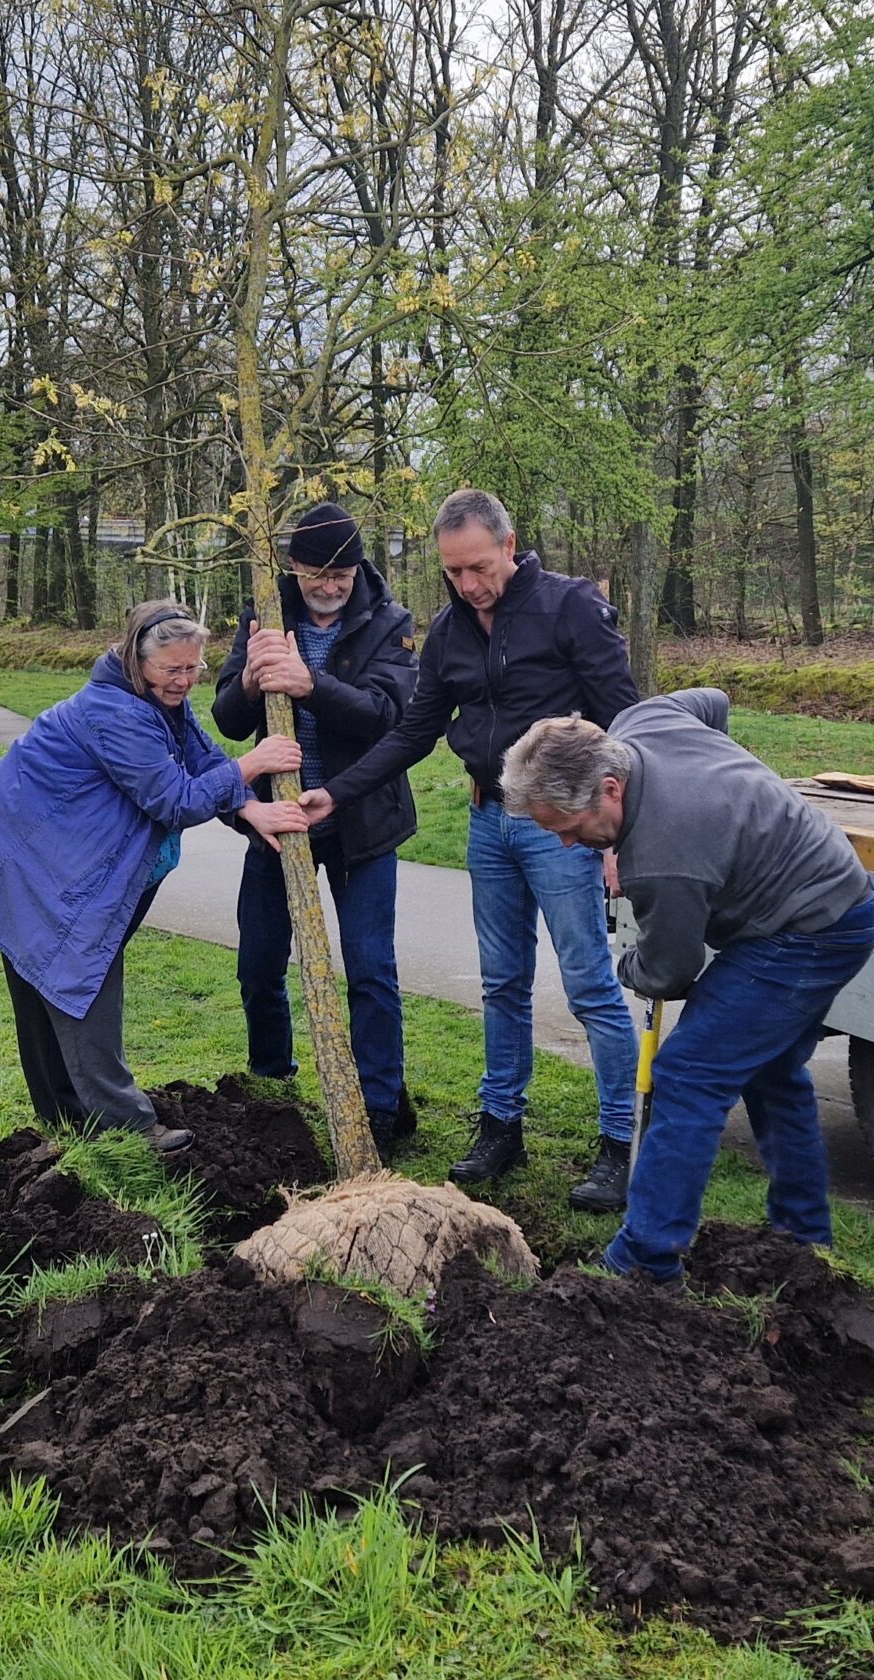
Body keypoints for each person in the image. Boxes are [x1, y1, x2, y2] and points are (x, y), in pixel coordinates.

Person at [303, 488, 644, 1210]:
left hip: (564, 826)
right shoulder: (449, 631)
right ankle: (501, 1126)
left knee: (588, 983)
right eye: (454, 572)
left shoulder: (569, 606)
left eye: (479, 567)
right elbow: (412, 730)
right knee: (501, 983)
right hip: (488, 822)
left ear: (510, 545)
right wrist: (339, 792)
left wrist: (626, 835)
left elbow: (628, 719)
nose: (469, 584)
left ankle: (621, 1142)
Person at [501, 692, 874, 1285]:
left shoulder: (664, 860)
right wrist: (716, 789)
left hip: (811, 932)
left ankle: (646, 1261)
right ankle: (803, 1239)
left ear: (610, 788)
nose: (569, 846)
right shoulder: (639, 723)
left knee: (688, 1075)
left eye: (572, 831)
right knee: (772, 1072)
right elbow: (715, 703)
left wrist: (629, 964)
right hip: (831, 895)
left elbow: (669, 972)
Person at [0, 601, 307, 1151]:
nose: (184, 681)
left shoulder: (154, 702)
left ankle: (67, 1118)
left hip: (35, 851)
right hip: (24, 856)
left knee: (48, 974)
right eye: (172, 670)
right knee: (77, 975)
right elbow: (174, 798)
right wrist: (252, 764)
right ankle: (127, 1126)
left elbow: (201, 760)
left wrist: (247, 808)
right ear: (138, 660)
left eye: (193, 669)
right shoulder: (116, 712)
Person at [211, 502, 421, 1153]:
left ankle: (380, 1109)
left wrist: (310, 684)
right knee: (258, 965)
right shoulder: (264, 618)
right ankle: (273, 1088)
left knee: (369, 969)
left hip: (361, 825)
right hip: (277, 825)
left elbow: (388, 716)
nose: (330, 587)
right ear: (292, 567)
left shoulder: (391, 622)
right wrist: (249, 680)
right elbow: (227, 719)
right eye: (315, 575)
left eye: (343, 574)